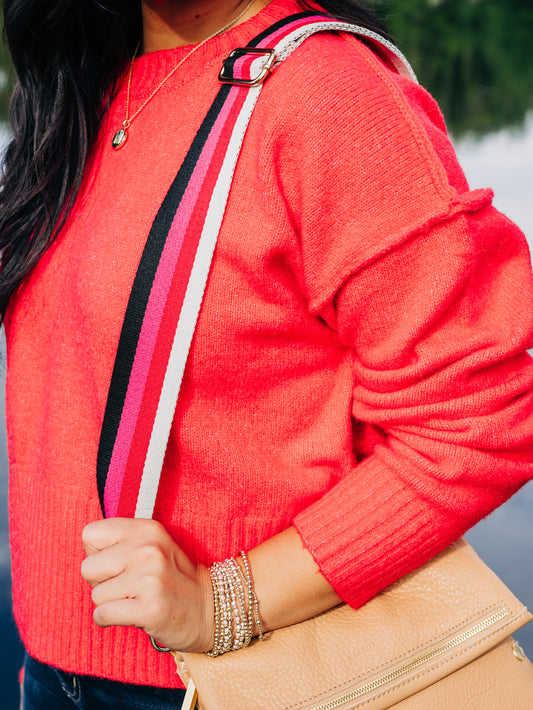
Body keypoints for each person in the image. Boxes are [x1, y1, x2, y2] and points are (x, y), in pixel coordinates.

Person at [1, 0, 533, 707]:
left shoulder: (326, 92)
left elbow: (479, 416)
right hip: (57, 668)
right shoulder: (84, 86)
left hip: (238, 680)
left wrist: (230, 599)